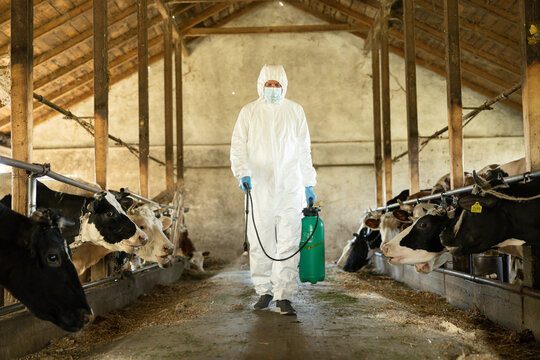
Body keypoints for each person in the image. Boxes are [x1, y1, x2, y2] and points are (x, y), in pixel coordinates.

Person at [230, 64, 317, 315]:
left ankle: (284, 296)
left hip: (290, 186)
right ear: (261, 86)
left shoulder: (295, 111)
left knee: (289, 241)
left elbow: (303, 149)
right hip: (259, 186)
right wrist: (242, 171)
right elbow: (238, 145)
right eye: (268, 84)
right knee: (259, 240)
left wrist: (308, 182)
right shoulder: (248, 112)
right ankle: (264, 291)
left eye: (277, 85)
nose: (272, 89)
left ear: (284, 86)